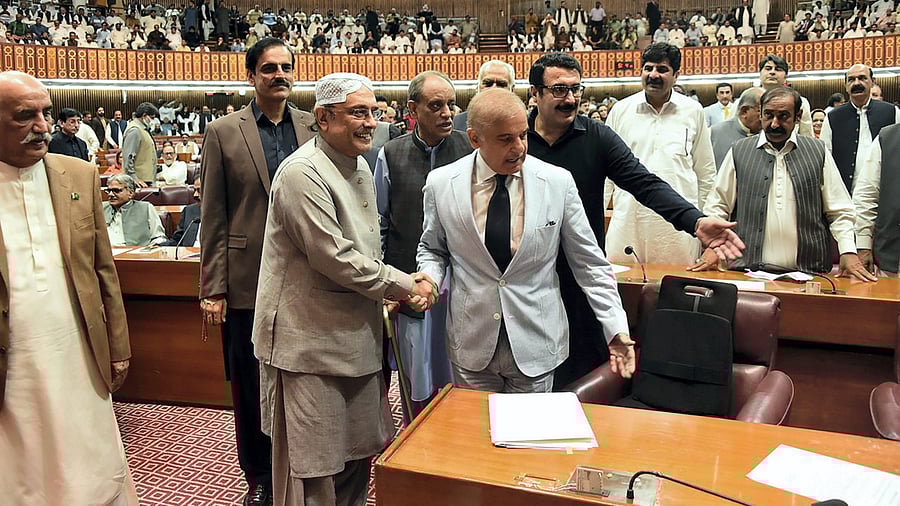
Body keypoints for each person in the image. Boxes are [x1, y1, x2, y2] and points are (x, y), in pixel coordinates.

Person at [252, 72, 433, 506]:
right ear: (324, 117)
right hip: (307, 350)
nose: (371, 122)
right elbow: (335, 257)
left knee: (357, 461)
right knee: (313, 474)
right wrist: (405, 285)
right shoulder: (302, 173)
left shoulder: (359, 166)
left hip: (357, 342)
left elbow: (369, 248)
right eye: (358, 112)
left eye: (373, 112)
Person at [525, 51, 744, 388]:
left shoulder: (596, 137)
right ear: (535, 94)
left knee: (584, 380)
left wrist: (696, 222)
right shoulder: (517, 139)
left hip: (579, 277)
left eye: (576, 89)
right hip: (525, 279)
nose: (570, 99)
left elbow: (644, 183)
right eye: (558, 90)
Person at [417, 88, 635, 393]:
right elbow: (432, 248)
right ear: (474, 139)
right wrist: (428, 278)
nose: (519, 147)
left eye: (523, 135)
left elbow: (590, 264)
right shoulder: (441, 183)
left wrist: (616, 329)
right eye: (505, 139)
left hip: (537, 342)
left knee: (530, 439)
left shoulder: (557, 182)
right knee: (475, 436)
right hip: (472, 343)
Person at [0, 70, 138, 506]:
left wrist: (119, 345)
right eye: (25, 116)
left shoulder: (78, 175)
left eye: (45, 113)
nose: (42, 126)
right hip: (14, 357)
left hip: (79, 348)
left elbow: (104, 270)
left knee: (89, 458)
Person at [200, 37, 317, 506]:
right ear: (251, 75)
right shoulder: (225, 131)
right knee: (252, 387)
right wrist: (213, 288)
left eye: (286, 67)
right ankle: (262, 476)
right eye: (269, 68)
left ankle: (307, 465)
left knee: (307, 379)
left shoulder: (314, 127)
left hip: (310, 276)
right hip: (249, 282)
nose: (279, 75)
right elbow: (213, 214)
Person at [692, 86, 876, 282]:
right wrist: (713, 247)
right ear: (760, 114)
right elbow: (719, 204)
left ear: (798, 117)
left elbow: (840, 211)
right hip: (748, 273)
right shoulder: (739, 151)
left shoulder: (817, 151)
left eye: (783, 116)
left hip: (809, 274)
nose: (774, 124)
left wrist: (848, 250)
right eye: (768, 115)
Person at [375, 71, 472, 421]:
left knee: (458, 371)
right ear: (413, 109)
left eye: (451, 104)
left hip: (462, 283)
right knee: (416, 373)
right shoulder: (391, 153)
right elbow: (380, 223)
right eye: (436, 106)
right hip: (410, 283)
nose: (447, 113)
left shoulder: (469, 148)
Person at [604, 43, 715, 265]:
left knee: (675, 291)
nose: (653, 75)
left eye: (662, 70)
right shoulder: (621, 110)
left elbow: (706, 173)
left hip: (678, 227)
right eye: (648, 68)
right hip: (629, 220)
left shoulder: (693, 111)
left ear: (676, 75)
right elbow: (605, 173)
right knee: (623, 287)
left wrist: (703, 221)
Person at [819, 64, 900, 193]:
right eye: (851, 80)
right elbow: (825, 158)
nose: (857, 83)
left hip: (884, 190)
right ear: (846, 86)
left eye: (862, 78)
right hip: (845, 193)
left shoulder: (891, 112)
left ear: (872, 82)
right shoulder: (833, 117)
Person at [102, 174, 168, 247]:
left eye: (116, 191)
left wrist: (152, 247)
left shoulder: (145, 208)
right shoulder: (100, 208)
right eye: (109, 191)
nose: (110, 194)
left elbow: (159, 237)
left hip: (136, 253)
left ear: (131, 193)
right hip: (104, 253)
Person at [757, 54, 814, 137]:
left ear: (785, 76)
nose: (772, 72)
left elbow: (807, 135)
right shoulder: (746, 100)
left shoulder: (801, 102)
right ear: (760, 73)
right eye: (768, 68)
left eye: (778, 69)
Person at [710, 87, 765, 170]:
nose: (769, 118)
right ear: (744, 111)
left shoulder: (769, 135)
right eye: (764, 112)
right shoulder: (714, 133)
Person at [454, 59, 516, 131]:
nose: (493, 88)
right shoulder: (456, 124)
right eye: (488, 83)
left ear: (512, 90)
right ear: (477, 88)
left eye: (501, 84)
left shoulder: (524, 124)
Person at [122, 101, 159, 188]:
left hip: (147, 179)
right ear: (144, 115)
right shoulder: (135, 130)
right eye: (152, 117)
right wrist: (134, 177)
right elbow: (128, 156)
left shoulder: (143, 129)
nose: (152, 121)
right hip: (139, 182)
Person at [164, 174, 202, 247]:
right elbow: (177, 240)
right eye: (194, 190)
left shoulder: (227, 213)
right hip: (188, 255)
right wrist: (159, 246)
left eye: (199, 190)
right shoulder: (189, 210)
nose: (195, 195)